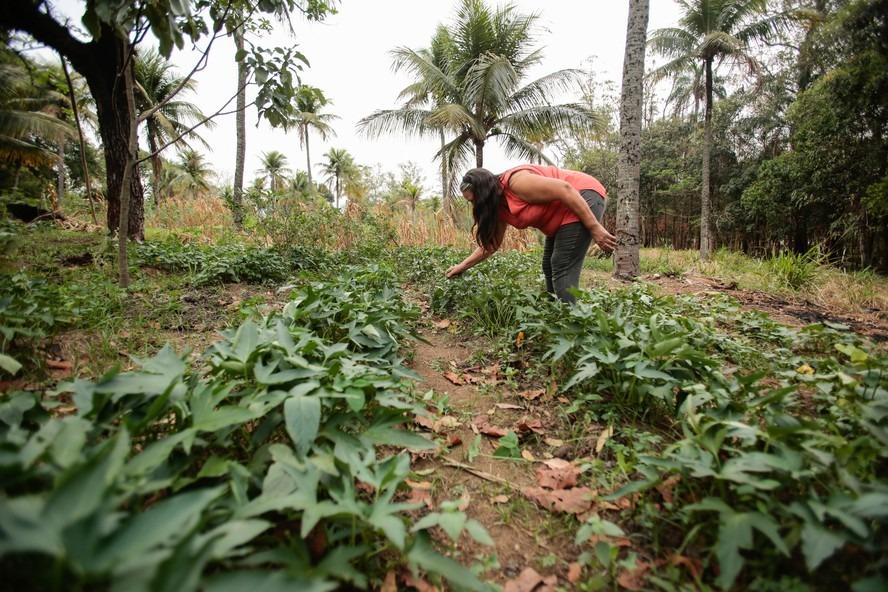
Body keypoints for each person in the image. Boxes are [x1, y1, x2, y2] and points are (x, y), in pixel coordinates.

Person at [445, 164, 616, 303]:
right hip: (561, 211)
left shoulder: (517, 183)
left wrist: (595, 228)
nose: (474, 205)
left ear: (483, 193)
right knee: (548, 265)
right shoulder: (498, 207)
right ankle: (556, 312)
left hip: (582, 195)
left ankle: (572, 324)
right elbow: (491, 245)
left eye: (473, 200)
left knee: (561, 264)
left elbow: (565, 189)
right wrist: (462, 266)